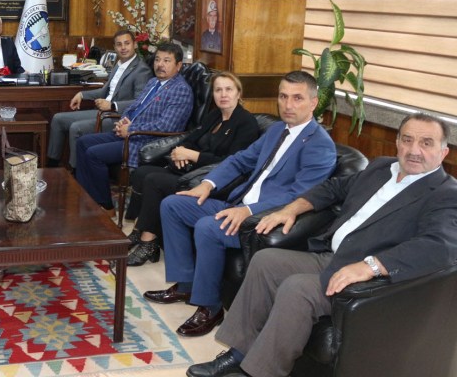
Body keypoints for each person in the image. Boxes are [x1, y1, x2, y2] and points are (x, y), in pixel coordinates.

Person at [188, 113, 457, 377]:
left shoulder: (445, 194)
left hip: (369, 279)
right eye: (407, 140)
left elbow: (440, 246)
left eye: (426, 143)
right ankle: (239, 355)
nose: (414, 150)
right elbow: (334, 188)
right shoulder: (382, 168)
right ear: (397, 142)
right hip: (333, 255)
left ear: (443, 152)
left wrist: (371, 266)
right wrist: (291, 209)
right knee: (265, 261)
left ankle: (259, 372)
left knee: (297, 289)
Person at [143, 70, 337, 337]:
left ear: (313, 103)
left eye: (297, 98)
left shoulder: (320, 146)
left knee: (208, 227)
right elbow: (239, 160)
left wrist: (247, 211)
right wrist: (207, 184)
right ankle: (186, 283)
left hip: (262, 218)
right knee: (173, 205)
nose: (288, 105)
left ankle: (210, 307)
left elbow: (299, 195)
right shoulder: (277, 130)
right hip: (237, 204)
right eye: (283, 96)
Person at [126, 72, 259, 266]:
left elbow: (231, 163)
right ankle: (139, 230)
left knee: (154, 181)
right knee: (141, 173)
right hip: (190, 171)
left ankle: (148, 242)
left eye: (229, 89)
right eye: (218, 90)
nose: (223, 94)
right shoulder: (214, 115)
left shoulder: (246, 123)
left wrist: (192, 155)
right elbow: (190, 139)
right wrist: (179, 152)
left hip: (214, 182)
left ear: (239, 93)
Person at [75, 42, 194, 211]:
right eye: (157, 60)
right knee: (83, 142)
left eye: (166, 61)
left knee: (94, 154)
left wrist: (130, 129)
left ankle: (104, 206)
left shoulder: (180, 90)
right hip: (131, 133)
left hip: (147, 141)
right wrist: (124, 121)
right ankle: (85, 198)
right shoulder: (153, 82)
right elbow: (133, 107)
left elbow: (166, 126)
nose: (160, 64)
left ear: (179, 65)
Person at [47, 29, 152, 169]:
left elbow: (140, 103)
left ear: (135, 45)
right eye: (119, 44)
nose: (123, 47)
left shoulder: (141, 70)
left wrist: (113, 105)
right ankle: (52, 166)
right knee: (58, 119)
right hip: (103, 112)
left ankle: (74, 171)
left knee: (76, 128)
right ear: (114, 47)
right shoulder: (118, 65)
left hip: (118, 117)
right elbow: (104, 91)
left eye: (127, 43)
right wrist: (82, 94)